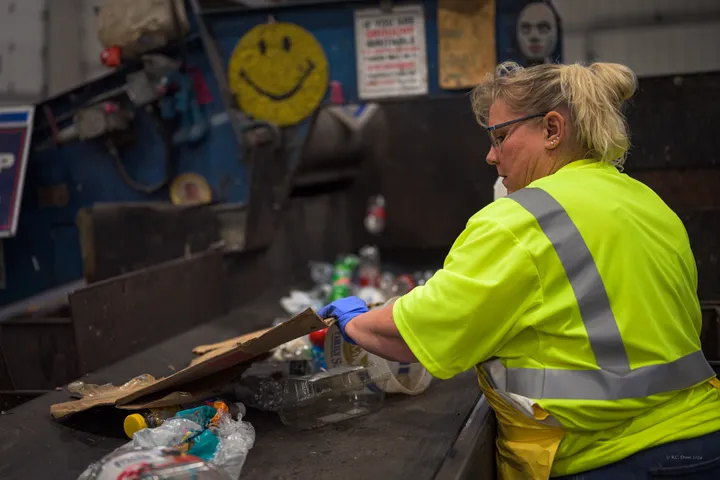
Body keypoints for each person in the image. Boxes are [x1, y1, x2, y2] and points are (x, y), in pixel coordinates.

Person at [316, 61, 720, 479]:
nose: (490, 155)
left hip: (610, 456)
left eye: (501, 137)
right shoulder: (647, 202)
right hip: (705, 438)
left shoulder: (523, 218)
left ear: (551, 129)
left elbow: (417, 331)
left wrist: (358, 320)